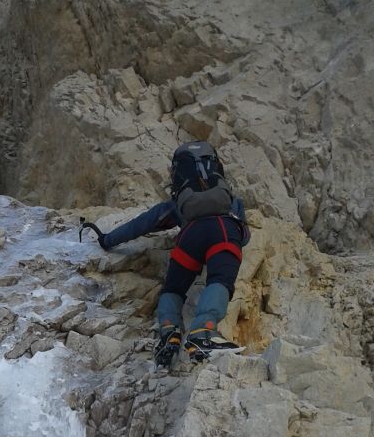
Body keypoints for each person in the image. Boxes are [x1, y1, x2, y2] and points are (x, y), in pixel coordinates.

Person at [80, 141, 250, 366]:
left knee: (173, 289)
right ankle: (202, 334)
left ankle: (169, 333)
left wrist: (107, 239)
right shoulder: (231, 200)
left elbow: (143, 224)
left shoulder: (177, 203)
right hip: (224, 231)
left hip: (189, 237)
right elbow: (245, 236)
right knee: (220, 280)